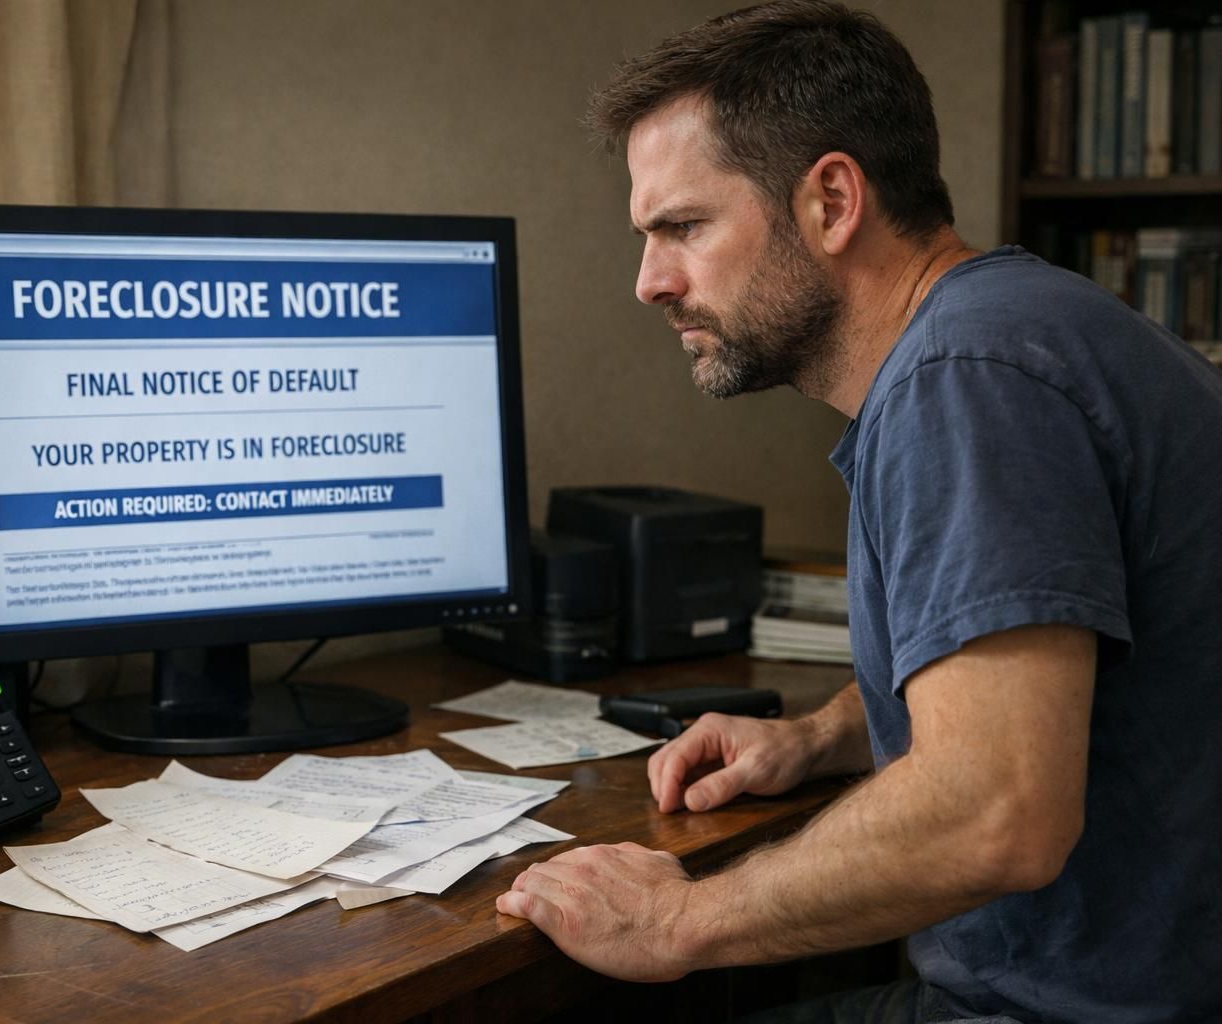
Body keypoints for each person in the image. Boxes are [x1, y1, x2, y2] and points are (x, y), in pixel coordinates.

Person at [494, 2, 1222, 1021]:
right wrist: (824, 736)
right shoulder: (1017, 329)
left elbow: (996, 813)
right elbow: (1039, 687)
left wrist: (677, 922)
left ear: (831, 201)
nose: (650, 281)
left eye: (684, 227)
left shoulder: (965, 381)